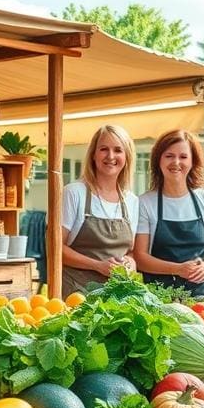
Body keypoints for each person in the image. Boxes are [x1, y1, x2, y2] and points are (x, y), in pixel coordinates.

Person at [133, 129, 204, 297]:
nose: (176, 162)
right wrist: (177, 269)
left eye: (183, 157)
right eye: (169, 156)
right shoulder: (145, 203)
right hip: (159, 296)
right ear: (158, 160)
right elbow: (140, 257)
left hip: (202, 295)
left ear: (192, 162)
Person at [61, 124, 140, 294]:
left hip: (117, 296)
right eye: (104, 149)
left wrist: (130, 263)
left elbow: (132, 251)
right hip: (77, 293)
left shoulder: (131, 201)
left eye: (118, 150)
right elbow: (54, 248)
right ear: (93, 155)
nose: (111, 156)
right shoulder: (74, 193)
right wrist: (97, 265)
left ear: (126, 156)